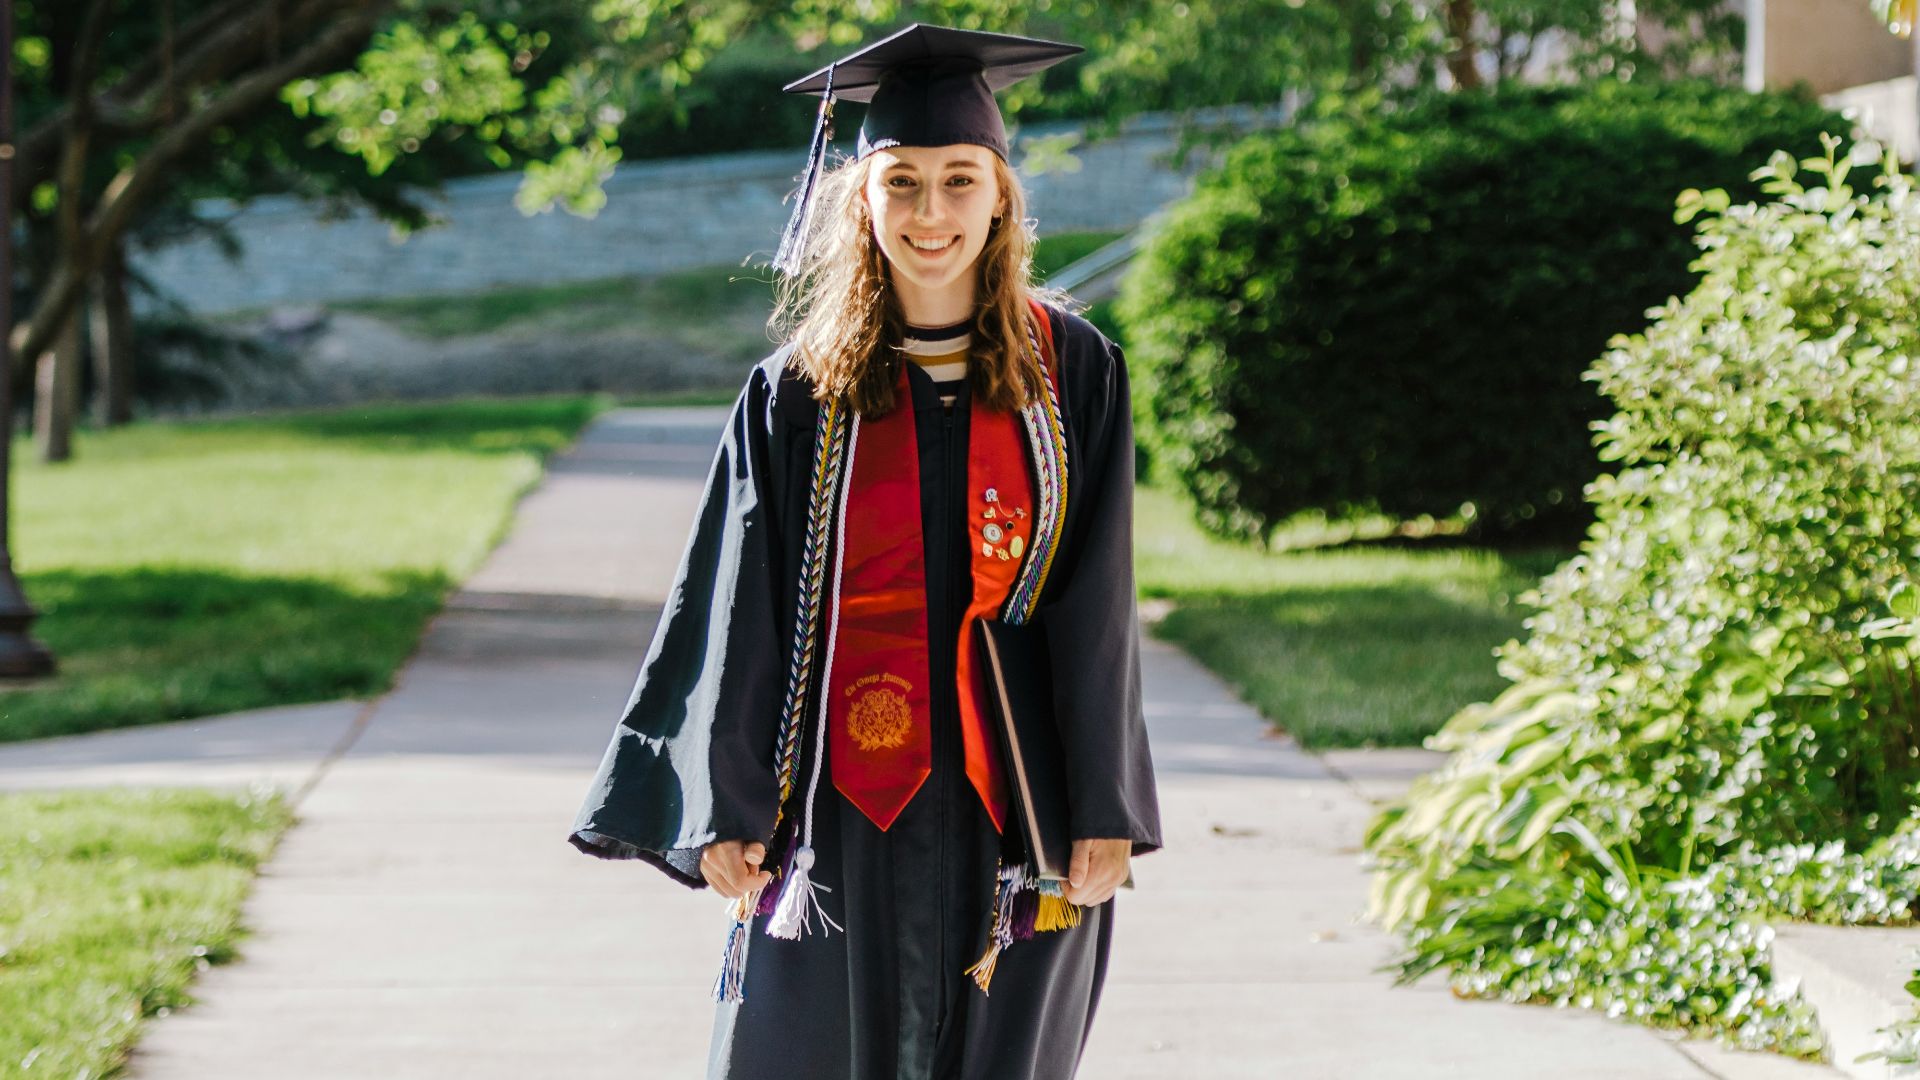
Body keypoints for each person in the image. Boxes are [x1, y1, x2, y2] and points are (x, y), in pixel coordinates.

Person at [567, 23, 1161, 1080]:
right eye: (903, 183)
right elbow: (737, 596)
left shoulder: (1074, 371)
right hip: (841, 796)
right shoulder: (798, 389)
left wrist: (1106, 804)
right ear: (860, 199)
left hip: (1016, 794)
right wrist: (726, 802)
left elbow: (1098, 598)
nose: (932, 214)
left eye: (959, 181)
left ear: (1002, 197)